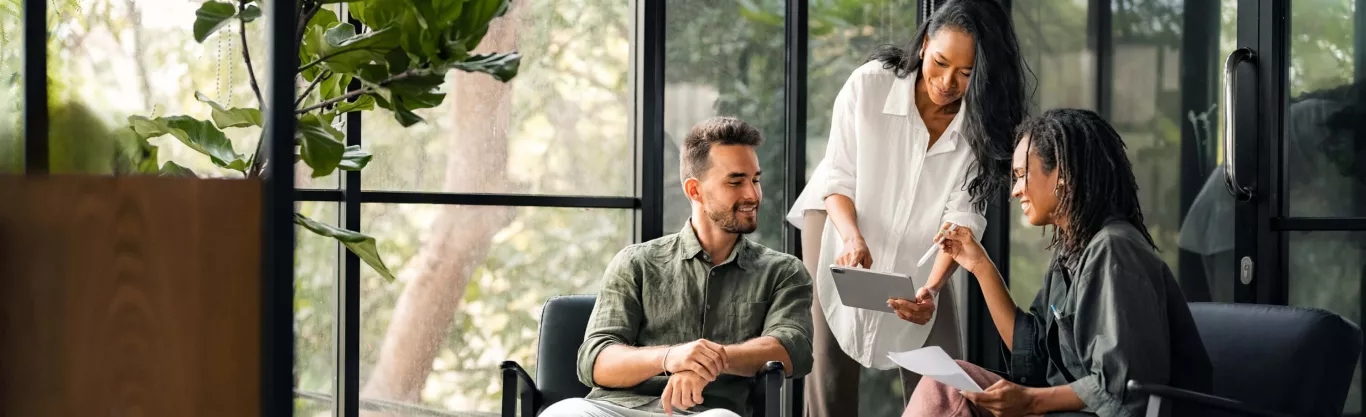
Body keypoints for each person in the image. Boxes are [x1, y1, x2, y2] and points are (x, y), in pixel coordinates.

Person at [784, 0, 1030, 413]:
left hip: (926, 245)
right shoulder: (869, 85)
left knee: (945, 373)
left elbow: (961, 220)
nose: (948, 81)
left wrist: (931, 288)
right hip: (838, 221)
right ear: (923, 45)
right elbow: (838, 178)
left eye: (965, 73)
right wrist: (851, 237)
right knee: (829, 368)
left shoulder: (980, 128)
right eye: (940, 62)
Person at [904, 108, 1213, 417]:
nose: (1015, 190)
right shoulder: (1072, 251)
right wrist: (981, 267)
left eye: (1023, 175)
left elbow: (1123, 389)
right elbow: (1034, 356)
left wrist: (1030, 402)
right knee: (945, 382)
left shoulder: (1114, 250)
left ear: (1062, 173)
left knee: (943, 393)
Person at [541, 117, 814, 417]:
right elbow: (595, 361)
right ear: (694, 191)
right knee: (566, 412)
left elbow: (793, 348)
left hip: (709, 413)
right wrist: (672, 357)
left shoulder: (783, 271)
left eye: (755, 180)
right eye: (736, 182)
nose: (752, 194)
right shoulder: (636, 262)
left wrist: (708, 361)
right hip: (617, 410)